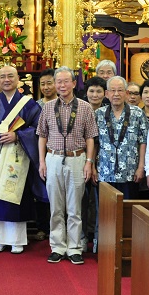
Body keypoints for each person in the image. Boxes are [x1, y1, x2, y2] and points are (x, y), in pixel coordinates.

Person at [0, 65, 45, 254]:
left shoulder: (29, 105)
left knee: (17, 196)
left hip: (20, 156)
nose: (6, 80)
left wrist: (19, 136)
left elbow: (39, 130)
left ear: (18, 79)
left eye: (10, 76)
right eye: (2, 76)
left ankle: (17, 239)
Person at [37, 66, 97, 265]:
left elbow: (90, 138)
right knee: (55, 207)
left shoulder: (85, 107)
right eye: (58, 82)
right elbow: (42, 136)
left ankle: (74, 247)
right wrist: (42, 161)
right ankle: (57, 246)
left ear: (73, 83)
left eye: (66, 81)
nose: (62, 85)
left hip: (77, 159)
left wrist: (89, 162)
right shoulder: (47, 107)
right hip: (53, 159)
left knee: (74, 208)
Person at [95, 76, 147, 200]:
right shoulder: (98, 114)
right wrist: (92, 166)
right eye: (113, 90)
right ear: (107, 94)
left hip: (130, 172)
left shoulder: (137, 113)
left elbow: (143, 142)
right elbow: (94, 142)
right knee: (106, 214)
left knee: (128, 212)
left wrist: (141, 167)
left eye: (120, 90)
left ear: (126, 93)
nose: (116, 94)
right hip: (105, 172)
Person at [81, 75, 108, 251]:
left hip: (102, 165)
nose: (95, 94)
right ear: (86, 92)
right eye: (91, 91)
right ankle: (83, 236)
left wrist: (95, 165)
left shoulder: (108, 111)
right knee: (82, 200)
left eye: (99, 91)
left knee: (99, 203)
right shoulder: (80, 110)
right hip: (80, 160)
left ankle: (98, 238)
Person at [34, 67, 57, 240]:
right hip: (39, 153)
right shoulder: (36, 105)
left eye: (50, 83)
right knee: (41, 191)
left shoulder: (63, 104)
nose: (46, 87)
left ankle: (56, 228)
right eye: (43, 84)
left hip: (58, 153)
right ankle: (42, 227)